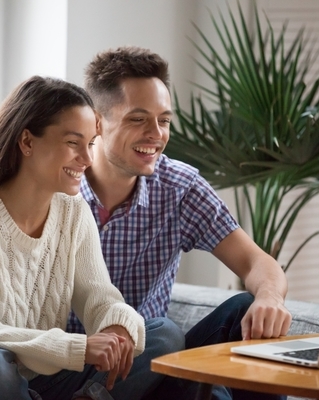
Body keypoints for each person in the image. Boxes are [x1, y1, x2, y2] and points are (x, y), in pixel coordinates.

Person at [67, 46, 292, 400]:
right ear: (97, 122)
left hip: (149, 364)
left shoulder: (180, 188)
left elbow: (257, 262)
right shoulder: (58, 184)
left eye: (165, 120)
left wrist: (269, 298)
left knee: (235, 310)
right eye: (138, 119)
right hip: (64, 366)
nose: (156, 134)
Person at [0, 75, 182, 400]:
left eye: (90, 143)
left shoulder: (74, 212)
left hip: (52, 378)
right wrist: (78, 347)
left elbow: (99, 296)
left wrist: (116, 328)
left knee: (163, 335)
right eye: (73, 143)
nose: (86, 158)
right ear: (27, 142)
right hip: (7, 378)